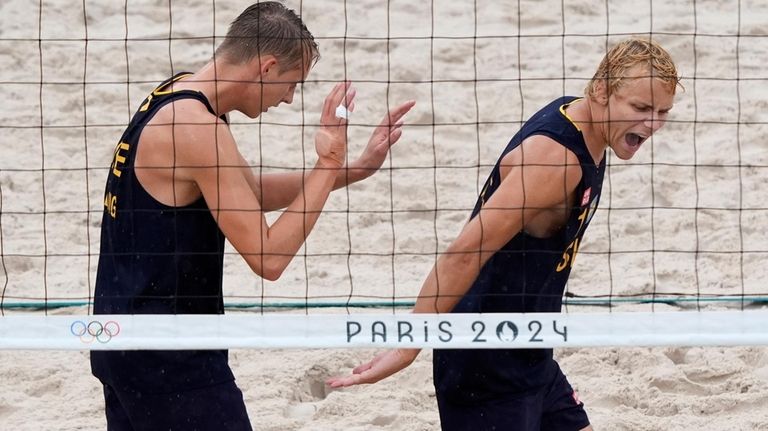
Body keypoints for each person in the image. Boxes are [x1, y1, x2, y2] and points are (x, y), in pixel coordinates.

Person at [90, 2, 415, 430]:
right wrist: (326, 162)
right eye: (291, 84)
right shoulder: (195, 128)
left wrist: (352, 169)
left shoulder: (182, 94)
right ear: (267, 67)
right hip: (168, 358)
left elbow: (249, 194)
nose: (289, 98)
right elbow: (269, 258)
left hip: (126, 342)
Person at [327, 38, 680, 430]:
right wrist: (408, 343)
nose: (653, 124)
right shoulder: (556, 161)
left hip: (530, 350)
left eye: (663, 111)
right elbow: (466, 250)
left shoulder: (584, 123)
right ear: (600, 91)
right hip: (485, 365)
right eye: (641, 108)